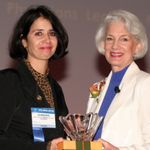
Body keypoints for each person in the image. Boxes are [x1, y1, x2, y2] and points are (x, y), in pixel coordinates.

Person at [0, 5, 69, 150]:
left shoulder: (56, 89)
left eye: (52, 33)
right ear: (24, 41)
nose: (47, 39)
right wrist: (45, 147)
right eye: (38, 33)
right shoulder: (8, 81)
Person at [86, 9, 150, 150]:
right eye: (110, 38)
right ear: (103, 44)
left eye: (124, 39)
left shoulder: (146, 84)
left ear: (137, 45)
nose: (115, 46)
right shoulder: (97, 88)